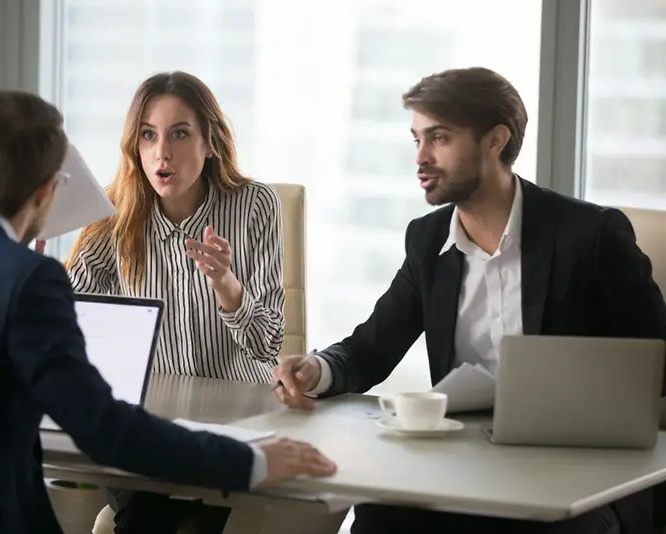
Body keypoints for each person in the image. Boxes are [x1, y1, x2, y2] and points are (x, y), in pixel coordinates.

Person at [0, 89, 336, 534]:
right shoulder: (30, 277)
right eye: (148, 135)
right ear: (48, 190)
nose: (161, 152)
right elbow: (104, 429)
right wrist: (250, 460)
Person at [272, 67, 666, 534]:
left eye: (438, 138)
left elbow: (657, 361)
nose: (421, 157)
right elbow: (372, 346)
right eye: (416, 139)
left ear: (495, 140)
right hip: (465, 464)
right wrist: (320, 367)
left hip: (579, 475)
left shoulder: (591, 236)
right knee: (378, 517)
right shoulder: (428, 241)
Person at [40, 71, 287, 534]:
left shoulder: (256, 205)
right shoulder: (112, 212)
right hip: (147, 421)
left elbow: (267, 345)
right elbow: (68, 321)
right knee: (151, 511)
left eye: (179, 134)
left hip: (237, 417)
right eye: (149, 136)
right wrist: (37, 269)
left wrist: (227, 284)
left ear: (209, 142)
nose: (162, 152)